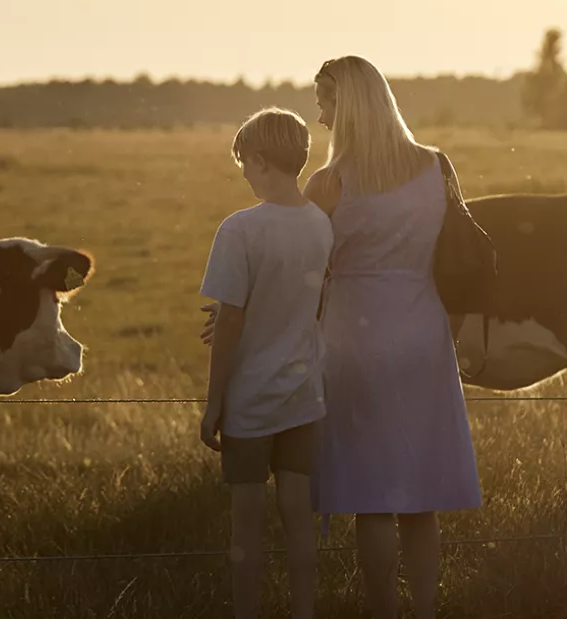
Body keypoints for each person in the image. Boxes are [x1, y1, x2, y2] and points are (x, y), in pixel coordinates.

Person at [202, 56, 483, 619]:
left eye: (325, 101)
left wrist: (249, 313)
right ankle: (424, 610)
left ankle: (383, 610)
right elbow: (458, 251)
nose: (321, 115)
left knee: (374, 500)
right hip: (425, 336)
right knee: (420, 498)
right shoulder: (437, 165)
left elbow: (304, 268)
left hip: (355, 339)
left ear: (347, 104)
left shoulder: (329, 183)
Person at [199, 106, 333, 619]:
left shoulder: (239, 231)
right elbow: (306, 301)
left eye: (244, 163)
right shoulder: (320, 225)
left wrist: (215, 403)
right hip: (304, 396)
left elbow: (229, 323)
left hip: (251, 401)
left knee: (247, 526)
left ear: (259, 160)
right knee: (299, 518)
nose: (245, 174)